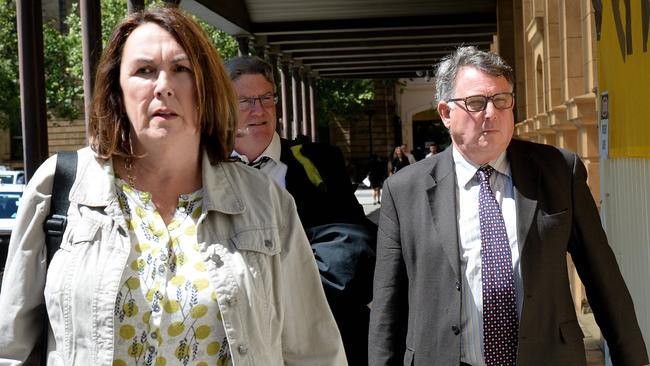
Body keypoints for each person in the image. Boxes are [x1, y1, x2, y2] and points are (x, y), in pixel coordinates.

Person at [0, 7, 346, 366]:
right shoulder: (61, 188)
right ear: (117, 88)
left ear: (205, 87)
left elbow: (314, 351)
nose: (163, 86)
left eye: (181, 69)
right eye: (144, 71)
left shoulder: (265, 200)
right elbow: (11, 351)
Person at [369, 46, 648, 366]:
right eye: (475, 103)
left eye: (501, 100)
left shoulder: (558, 171)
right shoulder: (404, 191)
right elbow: (387, 312)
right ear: (446, 113)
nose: (491, 113)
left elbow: (603, 279)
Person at [225, 55, 375, 366]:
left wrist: (272, 295)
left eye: (267, 97)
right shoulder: (205, 173)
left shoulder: (320, 161)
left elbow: (351, 247)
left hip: (328, 340)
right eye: (245, 101)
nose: (260, 109)